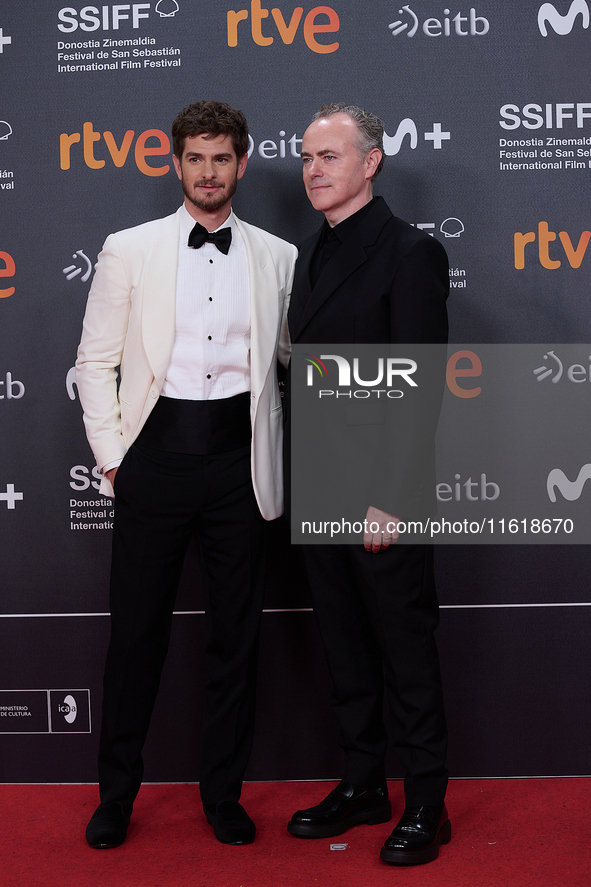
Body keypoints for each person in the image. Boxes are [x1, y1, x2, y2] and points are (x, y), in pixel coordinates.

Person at [76, 100, 297, 849]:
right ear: (176, 163)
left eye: (221, 158)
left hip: (240, 467)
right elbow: (94, 362)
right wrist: (114, 458)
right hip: (155, 462)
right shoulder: (128, 248)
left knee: (235, 639)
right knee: (135, 637)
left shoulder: (277, 256)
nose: (208, 172)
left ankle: (222, 794)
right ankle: (115, 794)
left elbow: (293, 363)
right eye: (195, 158)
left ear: (241, 162)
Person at [285, 104, 450, 866]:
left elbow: (418, 388)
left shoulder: (409, 253)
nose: (313, 170)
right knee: (344, 646)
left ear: (371, 161)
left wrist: (391, 494)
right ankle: (362, 783)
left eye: (329, 156)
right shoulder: (309, 255)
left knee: (402, 647)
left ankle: (425, 802)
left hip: (381, 497)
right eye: (307, 157)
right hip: (318, 487)